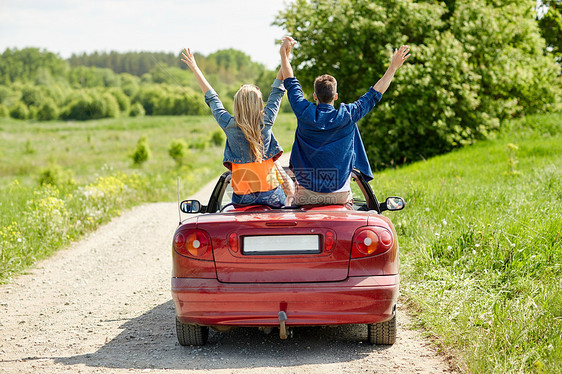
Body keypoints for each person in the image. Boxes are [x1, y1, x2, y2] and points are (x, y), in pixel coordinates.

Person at [279, 36, 410, 206]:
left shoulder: (303, 111)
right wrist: (393, 66)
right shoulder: (347, 115)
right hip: (340, 194)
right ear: (335, 96)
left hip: (306, 194)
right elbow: (375, 93)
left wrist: (284, 54)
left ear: (315, 96)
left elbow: (290, 82)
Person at [181, 48, 293, 207]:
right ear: (259, 103)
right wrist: (285, 57)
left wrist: (195, 68)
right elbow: (278, 90)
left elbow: (212, 99)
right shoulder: (266, 121)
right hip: (271, 195)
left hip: (243, 197)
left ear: (237, 104)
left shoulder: (229, 124)